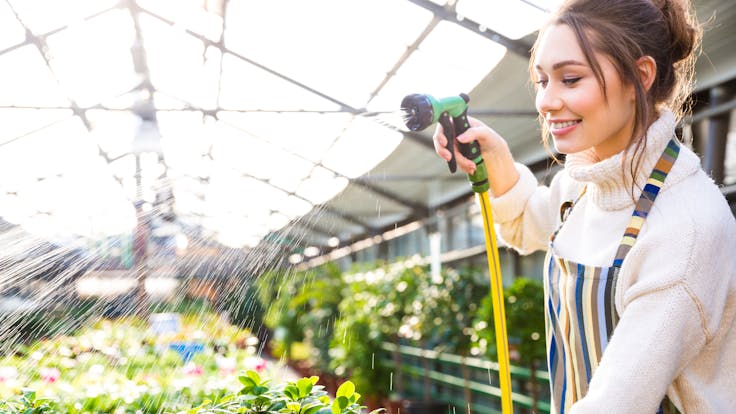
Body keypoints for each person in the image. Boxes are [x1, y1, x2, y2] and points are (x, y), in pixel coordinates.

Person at [432, 0, 736, 412]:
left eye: (570, 79)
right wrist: (496, 158)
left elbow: (616, 403)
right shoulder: (582, 186)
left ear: (640, 76)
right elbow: (526, 223)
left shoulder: (686, 226)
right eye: (542, 81)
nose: (546, 102)